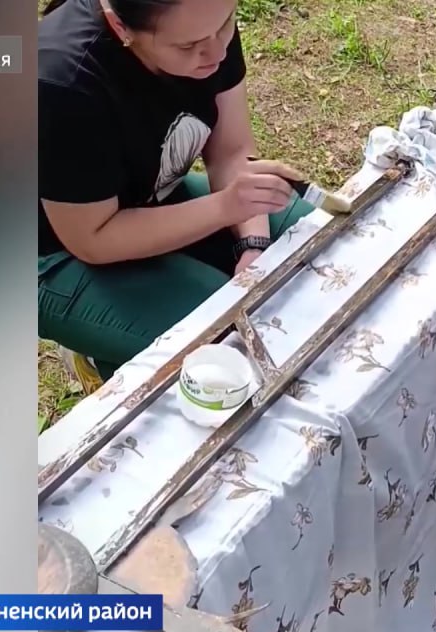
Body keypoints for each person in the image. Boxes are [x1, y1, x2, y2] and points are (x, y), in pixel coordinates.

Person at [38, 0, 316, 387]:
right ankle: (108, 359)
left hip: (144, 194)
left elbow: (231, 152)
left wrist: (252, 244)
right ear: (121, 28)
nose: (217, 52)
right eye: (188, 47)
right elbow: (93, 239)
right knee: (229, 341)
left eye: (226, 25)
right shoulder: (61, 81)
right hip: (54, 249)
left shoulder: (203, 19)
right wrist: (225, 207)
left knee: (315, 248)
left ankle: (128, 333)